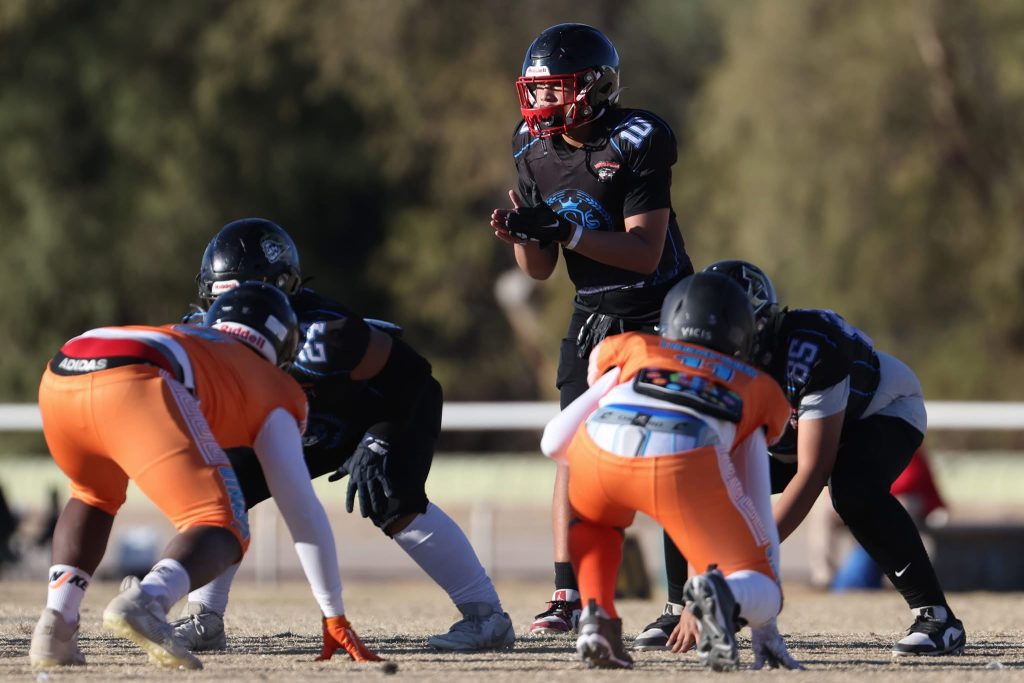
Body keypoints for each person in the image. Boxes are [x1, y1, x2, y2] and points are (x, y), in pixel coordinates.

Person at [172, 218, 513, 653]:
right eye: (222, 299)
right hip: (301, 421)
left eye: (245, 297)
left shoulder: (324, 335)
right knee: (221, 492)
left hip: (379, 408)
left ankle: (486, 617)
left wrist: (379, 439)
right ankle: (204, 617)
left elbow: (412, 375)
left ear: (282, 288)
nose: (233, 313)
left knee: (393, 499)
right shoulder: (200, 332)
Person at [28, 283, 380, 670]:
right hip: (137, 376)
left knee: (93, 496)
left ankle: (57, 624)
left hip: (66, 366)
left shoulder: (194, 339)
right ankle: (149, 599)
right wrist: (334, 613)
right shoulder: (274, 383)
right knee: (225, 523)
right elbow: (302, 508)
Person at [639, 259, 965, 656]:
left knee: (852, 490)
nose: (707, 367)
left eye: (717, 350)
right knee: (686, 483)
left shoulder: (810, 349)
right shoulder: (704, 364)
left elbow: (813, 471)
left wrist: (744, 560)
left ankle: (937, 617)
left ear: (756, 330)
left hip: (878, 411)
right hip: (788, 432)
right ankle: (678, 612)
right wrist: (699, 591)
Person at [490, 22, 695, 635]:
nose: (540, 101)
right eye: (536, 89)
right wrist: (526, 235)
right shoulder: (529, 144)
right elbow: (541, 268)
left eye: (553, 88)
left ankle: (681, 603)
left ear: (593, 87)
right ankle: (568, 595)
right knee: (572, 451)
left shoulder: (637, 137)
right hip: (593, 313)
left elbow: (645, 253)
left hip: (661, 308)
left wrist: (568, 231)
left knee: (673, 452)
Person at [541, 272, 801, 670]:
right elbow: (753, 494)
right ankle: (722, 596)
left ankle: (598, 617)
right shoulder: (758, 386)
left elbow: (554, 441)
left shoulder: (635, 347)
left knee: (595, 524)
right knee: (761, 582)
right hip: (684, 464)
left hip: (598, 453)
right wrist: (765, 618)